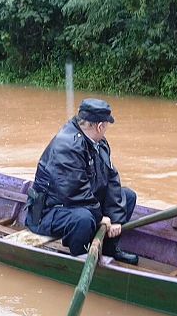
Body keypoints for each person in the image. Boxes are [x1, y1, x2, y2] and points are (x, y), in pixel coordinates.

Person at [25, 98, 139, 264]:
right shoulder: (67, 145)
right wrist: (100, 218)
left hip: (76, 202)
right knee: (84, 218)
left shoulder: (100, 142)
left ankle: (109, 249)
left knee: (127, 196)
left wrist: (115, 219)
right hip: (49, 211)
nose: (106, 129)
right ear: (100, 126)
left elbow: (112, 178)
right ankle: (80, 256)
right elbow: (75, 192)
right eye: (106, 125)